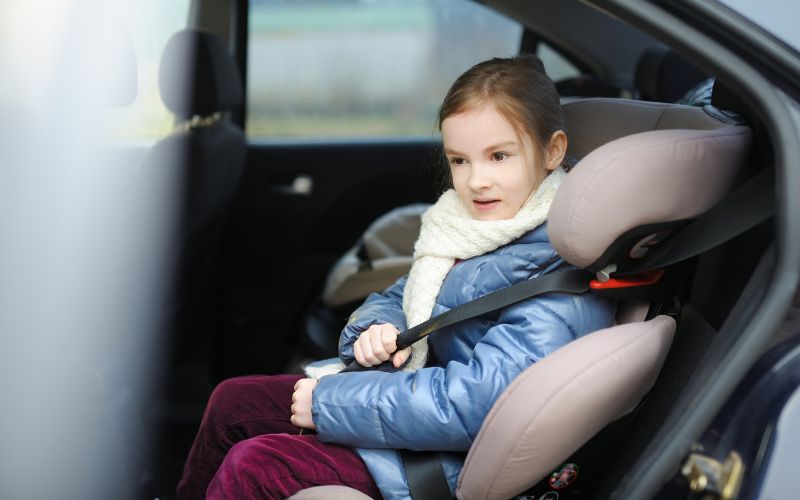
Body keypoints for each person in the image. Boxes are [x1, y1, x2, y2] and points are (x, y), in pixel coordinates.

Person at [175, 54, 616, 500]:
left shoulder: (556, 273)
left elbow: (480, 407)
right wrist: (379, 327)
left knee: (256, 466)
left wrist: (330, 406)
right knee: (232, 402)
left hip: (440, 460)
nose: (476, 180)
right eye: (459, 161)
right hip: (407, 405)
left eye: (499, 156)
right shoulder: (476, 231)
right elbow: (404, 292)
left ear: (552, 151)